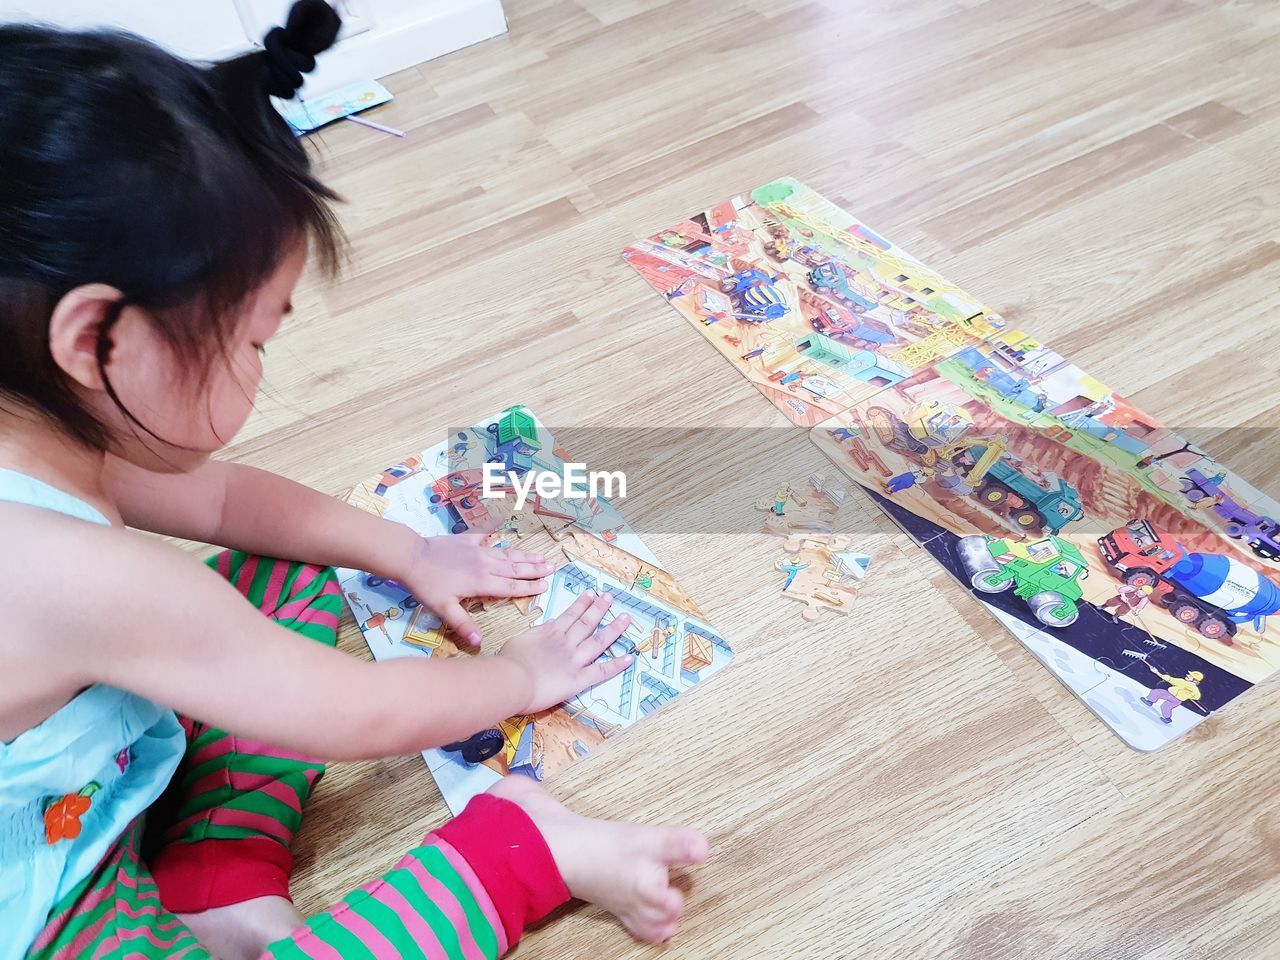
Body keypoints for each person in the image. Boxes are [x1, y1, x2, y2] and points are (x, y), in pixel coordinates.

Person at [0, 7, 707, 960]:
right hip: (45, 906)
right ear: (95, 340)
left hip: (85, 790)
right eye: (249, 344)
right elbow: (353, 714)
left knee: (289, 565)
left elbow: (225, 502)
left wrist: (409, 551)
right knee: (234, 633)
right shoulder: (68, 577)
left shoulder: (35, 424)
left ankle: (215, 873)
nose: (259, 369)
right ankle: (521, 849)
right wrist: (518, 675)